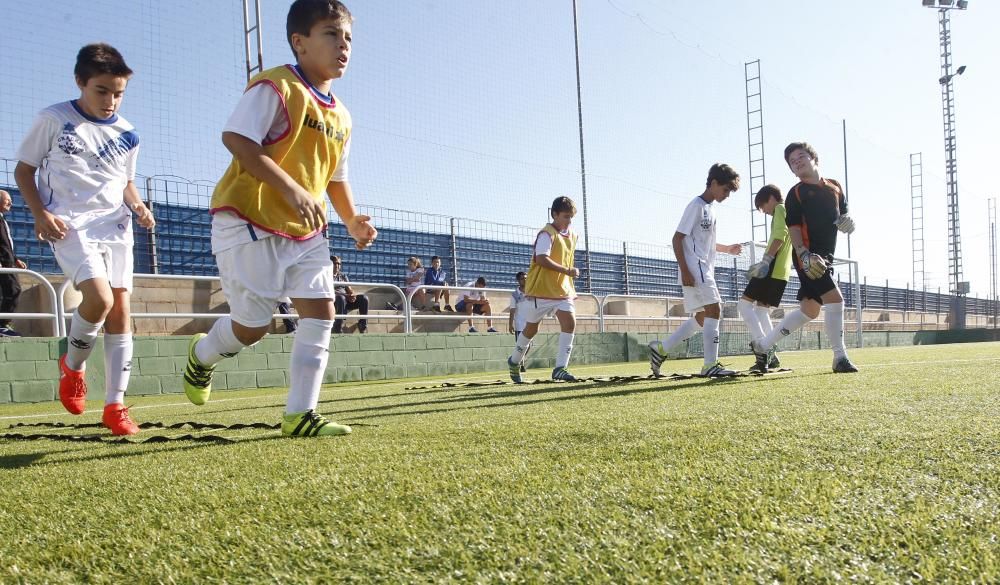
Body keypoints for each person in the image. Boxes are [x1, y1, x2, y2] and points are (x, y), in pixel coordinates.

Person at [181, 0, 377, 438]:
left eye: (348, 38)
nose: (343, 45)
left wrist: (350, 220)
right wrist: (289, 187)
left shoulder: (342, 116)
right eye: (331, 34)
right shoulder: (276, 86)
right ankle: (203, 355)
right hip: (249, 221)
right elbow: (235, 137)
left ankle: (299, 415)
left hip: (307, 232)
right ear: (299, 42)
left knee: (323, 310)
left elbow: (335, 178)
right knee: (253, 327)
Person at [13, 44, 155, 435]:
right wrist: (41, 214)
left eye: (118, 92)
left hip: (116, 227)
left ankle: (115, 406)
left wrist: (139, 206)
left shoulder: (129, 134)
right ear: (81, 82)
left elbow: (124, 182)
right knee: (100, 300)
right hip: (70, 224)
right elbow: (24, 171)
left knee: (122, 313)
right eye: (102, 90)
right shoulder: (54, 119)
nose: (111, 100)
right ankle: (72, 367)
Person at [751, 142, 858, 373]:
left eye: (800, 156)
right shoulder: (795, 193)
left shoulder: (835, 186)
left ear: (814, 158)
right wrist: (803, 254)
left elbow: (844, 215)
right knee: (836, 301)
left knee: (809, 310)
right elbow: (794, 228)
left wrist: (848, 222)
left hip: (826, 257)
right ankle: (840, 358)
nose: (797, 162)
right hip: (808, 258)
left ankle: (762, 345)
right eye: (792, 162)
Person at [648, 163, 743, 378]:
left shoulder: (712, 209)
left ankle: (661, 349)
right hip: (695, 268)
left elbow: (706, 242)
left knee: (702, 316)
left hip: (703, 268)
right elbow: (677, 238)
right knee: (715, 309)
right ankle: (710, 365)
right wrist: (685, 270)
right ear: (714, 183)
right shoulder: (696, 206)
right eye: (725, 190)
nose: (727, 195)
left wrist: (727, 249)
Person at [507, 196, 580, 383]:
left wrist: (569, 273)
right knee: (531, 329)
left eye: (571, 217)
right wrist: (567, 270)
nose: (569, 221)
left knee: (569, 322)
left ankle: (560, 368)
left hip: (562, 290)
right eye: (565, 216)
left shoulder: (572, 234)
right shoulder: (546, 234)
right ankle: (514, 361)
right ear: (554, 214)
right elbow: (541, 258)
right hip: (541, 290)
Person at [737, 184, 790, 372]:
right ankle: (772, 356)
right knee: (761, 310)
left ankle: (762, 348)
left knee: (743, 305)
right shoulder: (789, 211)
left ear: (770, 198)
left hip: (772, 267)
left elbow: (779, 236)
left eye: (762, 206)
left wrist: (765, 261)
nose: (764, 211)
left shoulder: (780, 209)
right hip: (782, 272)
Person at [0, 189, 27, 337]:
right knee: (13, 290)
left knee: (11, 291)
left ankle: (3, 325)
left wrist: (15, 259)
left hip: (8, 263)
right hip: (2, 265)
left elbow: (5, 244)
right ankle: (2, 325)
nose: (11, 202)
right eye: (7, 199)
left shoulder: (2, 219)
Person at [331, 254, 369, 333]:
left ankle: (362, 324)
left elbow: (349, 289)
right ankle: (337, 327)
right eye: (335, 263)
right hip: (334, 302)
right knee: (340, 298)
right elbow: (329, 290)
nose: (337, 265)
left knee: (364, 298)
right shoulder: (326, 275)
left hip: (345, 300)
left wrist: (352, 295)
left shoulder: (343, 276)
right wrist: (345, 295)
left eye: (339, 264)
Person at [507, 270, 528, 372]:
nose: (524, 280)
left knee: (528, 346)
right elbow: (512, 310)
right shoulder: (515, 295)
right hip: (519, 325)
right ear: (518, 281)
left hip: (530, 324)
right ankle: (520, 364)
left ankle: (518, 359)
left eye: (526, 278)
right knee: (521, 346)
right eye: (522, 279)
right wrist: (510, 324)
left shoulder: (531, 292)